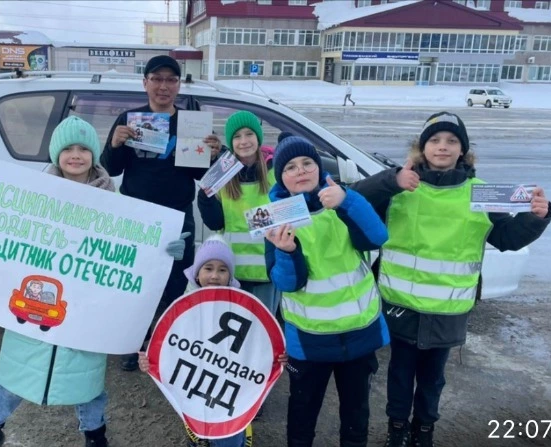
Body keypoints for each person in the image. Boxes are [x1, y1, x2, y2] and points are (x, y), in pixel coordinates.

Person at [0, 116, 190, 447]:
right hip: (36, 302)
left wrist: (165, 249)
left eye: (84, 148)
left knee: (87, 381)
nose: (76, 155)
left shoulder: (114, 202)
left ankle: (94, 433)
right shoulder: (32, 195)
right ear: (56, 154)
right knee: (16, 375)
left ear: (94, 156)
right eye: (68, 148)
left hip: (85, 312)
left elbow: (134, 248)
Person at [349, 112, 551, 447]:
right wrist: (391, 179)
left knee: (433, 379)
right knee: (400, 374)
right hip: (400, 305)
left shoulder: (480, 192)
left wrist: (538, 216)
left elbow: (507, 238)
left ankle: (424, 432)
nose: (442, 147)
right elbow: (352, 201)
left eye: (451, 141)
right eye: (434, 140)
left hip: (449, 309)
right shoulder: (402, 183)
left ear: (463, 151)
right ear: (422, 148)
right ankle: (397, 431)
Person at [264, 134, 390, 447]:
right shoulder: (275, 219)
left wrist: (348, 200)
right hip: (309, 339)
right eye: (291, 167)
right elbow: (288, 282)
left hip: (358, 333)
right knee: (303, 411)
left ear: (319, 168)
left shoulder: (339, 200)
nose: (301, 170)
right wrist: (286, 251)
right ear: (281, 178)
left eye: (308, 163)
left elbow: (376, 237)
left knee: (356, 412)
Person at [101, 54, 223, 371]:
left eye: (171, 79)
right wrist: (115, 144)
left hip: (178, 216)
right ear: (145, 83)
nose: (163, 86)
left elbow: (201, 177)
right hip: (136, 217)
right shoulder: (129, 118)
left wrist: (213, 154)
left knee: (172, 284)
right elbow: (111, 169)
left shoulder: (191, 122)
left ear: (178, 85)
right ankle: (131, 344)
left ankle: (160, 341)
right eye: (157, 79)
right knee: (134, 283)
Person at [138, 236, 270, 447]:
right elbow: (169, 346)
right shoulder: (181, 308)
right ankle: (199, 437)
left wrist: (275, 354)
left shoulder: (242, 309)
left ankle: (238, 436)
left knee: (227, 434)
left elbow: (258, 345)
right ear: (197, 274)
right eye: (208, 268)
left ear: (230, 275)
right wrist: (150, 360)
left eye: (222, 270)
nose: (215, 276)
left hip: (228, 385)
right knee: (197, 420)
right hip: (195, 382)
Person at [197, 111, 280, 314]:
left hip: (267, 271)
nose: (243, 141)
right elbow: (216, 223)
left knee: (261, 329)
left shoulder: (275, 171)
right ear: (230, 142)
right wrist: (204, 197)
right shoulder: (223, 172)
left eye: (249, 134)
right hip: (232, 272)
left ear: (258, 137)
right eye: (236, 137)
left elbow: (287, 212)